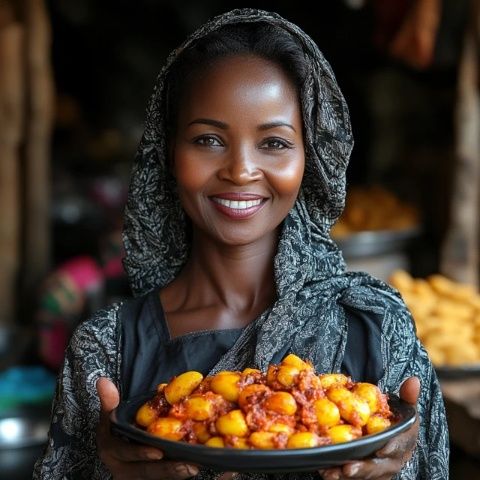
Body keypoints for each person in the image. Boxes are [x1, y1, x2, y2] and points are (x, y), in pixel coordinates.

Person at [33, 8, 449, 480]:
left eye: (274, 143)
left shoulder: (375, 329)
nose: (240, 170)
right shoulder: (106, 351)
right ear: (168, 154)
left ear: (309, 158)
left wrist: (400, 471)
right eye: (208, 139)